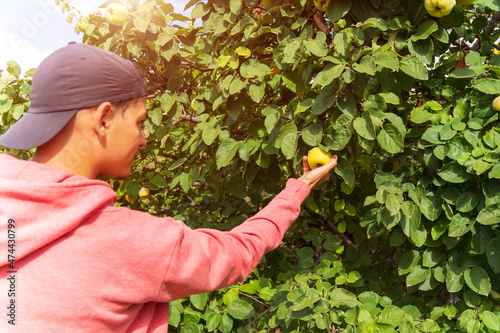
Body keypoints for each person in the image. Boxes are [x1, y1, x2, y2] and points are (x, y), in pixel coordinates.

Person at [0, 42, 337, 332]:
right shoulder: (129, 242)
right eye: (139, 122)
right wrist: (299, 188)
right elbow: (237, 253)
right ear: (103, 119)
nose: (144, 140)